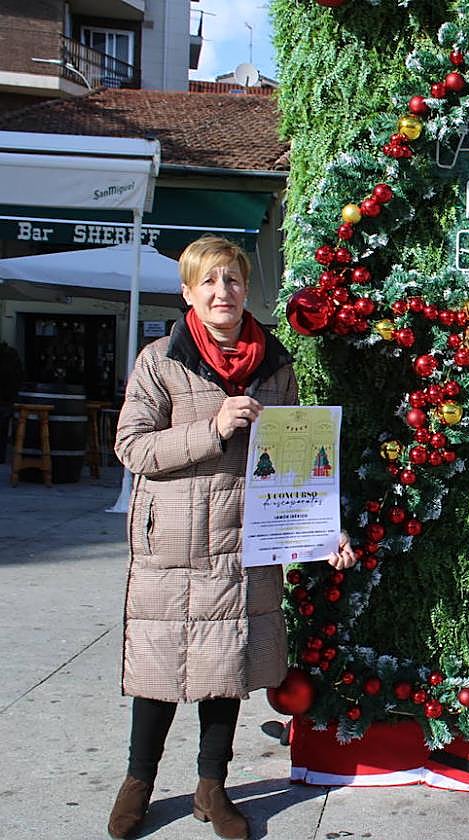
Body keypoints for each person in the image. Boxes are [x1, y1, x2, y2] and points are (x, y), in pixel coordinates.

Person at [107, 236, 354, 840]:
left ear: (247, 289)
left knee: (227, 668)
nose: (223, 292)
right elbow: (131, 446)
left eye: (233, 281)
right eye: (209, 282)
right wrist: (210, 429)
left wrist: (324, 530)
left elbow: (297, 458)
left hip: (247, 539)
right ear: (189, 292)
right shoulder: (159, 359)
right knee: (162, 668)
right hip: (176, 542)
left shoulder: (276, 364)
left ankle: (210, 788)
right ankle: (139, 781)